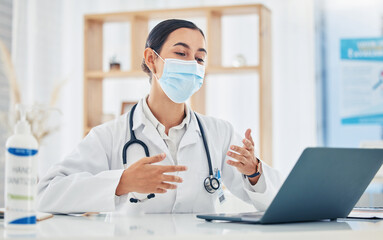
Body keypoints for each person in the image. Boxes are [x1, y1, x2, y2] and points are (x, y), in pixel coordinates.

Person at [37, 19, 282, 214]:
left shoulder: (219, 133)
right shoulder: (109, 135)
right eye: (181, 54)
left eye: (199, 58)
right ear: (151, 59)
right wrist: (121, 182)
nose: (192, 65)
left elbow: (273, 201)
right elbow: (46, 193)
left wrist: (254, 172)